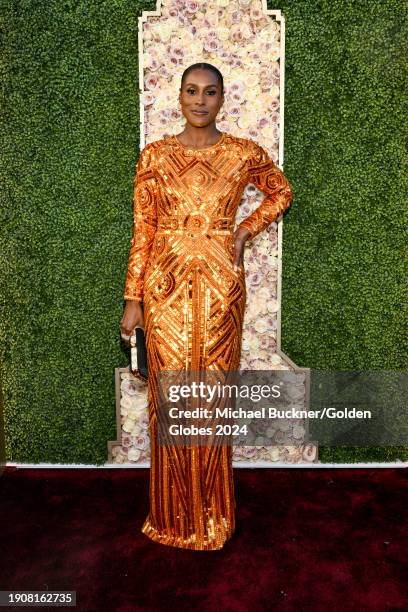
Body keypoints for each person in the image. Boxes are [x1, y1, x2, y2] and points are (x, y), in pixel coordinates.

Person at [119, 62, 293, 550]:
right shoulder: (153, 157)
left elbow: (280, 192)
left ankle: (212, 518)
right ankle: (171, 518)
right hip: (164, 287)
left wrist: (243, 230)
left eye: (210, 92)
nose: (200, 100)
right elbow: (143, 231)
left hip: (221, 286)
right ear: (178, 96)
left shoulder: (241, 154)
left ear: (222, 98)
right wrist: (133, 299)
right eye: (191, 91)